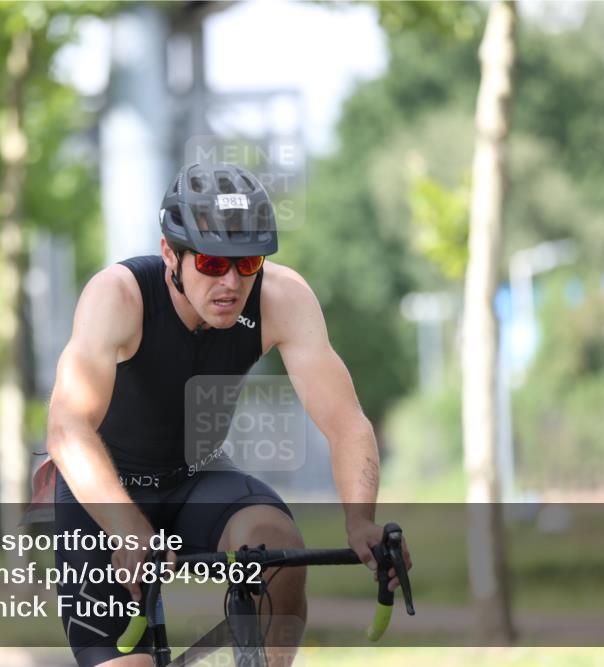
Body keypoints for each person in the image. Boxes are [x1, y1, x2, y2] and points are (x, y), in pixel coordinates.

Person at [46, 162, 409, 667]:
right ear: (171, 253)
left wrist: (360, 520)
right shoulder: (120, 296)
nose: (232, 283)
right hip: (104, 491)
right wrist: (127, 526)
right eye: (214, 264)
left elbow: (346, 423)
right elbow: (67, 428)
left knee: (277, 547)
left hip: (196, 477)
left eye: (248, 264)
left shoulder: (281, 298)